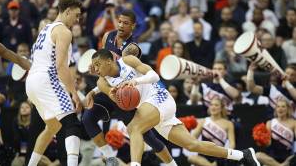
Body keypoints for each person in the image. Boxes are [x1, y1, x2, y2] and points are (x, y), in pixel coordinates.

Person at [90, 48, 261, 166]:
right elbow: (118, 100)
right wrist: (117, 96)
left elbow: (154, 75)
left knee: (134, 128)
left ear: (109, 60)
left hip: (160, 97)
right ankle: (242, 155)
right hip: (149, 108)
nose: (95, 69)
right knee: (193, 145)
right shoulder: (102, 81)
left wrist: (136, 81)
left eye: (98, 64)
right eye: (93, 66)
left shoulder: (127, 60)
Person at [83, 10, 177, 166]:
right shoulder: (108, 36)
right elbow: (103, 71)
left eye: (125, 23)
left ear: (133, 26)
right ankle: (110, 159)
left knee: (147, 136)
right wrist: (95, 74)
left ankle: (171, 164)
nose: (120, 25)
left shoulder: (132, 48)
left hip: (125, 91)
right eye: (119, 21)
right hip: (109, 90)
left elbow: (120, 74)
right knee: (87, 118)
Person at [25, 0, 83, 166]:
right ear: (67, 11)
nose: (77, 20)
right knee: (72, 123)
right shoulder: (63, 31)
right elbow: (60, 66)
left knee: (52, 128)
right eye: (77, 15)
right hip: (46, 79)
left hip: (32, 83)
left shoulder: (45, 29)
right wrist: (74, 93)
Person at [189, 98, 236, 166]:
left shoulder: (229, 124)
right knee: (191, 158)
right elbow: (192, 138)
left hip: (218, 156)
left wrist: (227, 156)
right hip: (203, 155)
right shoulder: (204, 121)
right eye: (211, 105)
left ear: (221, 108)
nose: (213, 107)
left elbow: (232, 144)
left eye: (216, 105)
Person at [256, 99, 296, 166]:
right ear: (275, 109)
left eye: (283, 106)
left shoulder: (294, 123)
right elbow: (268, 144)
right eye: (278, 106)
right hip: (273, 157)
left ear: (288, 109)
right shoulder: (270, 123)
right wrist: (261, 140)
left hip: (288, 157)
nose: (280, 109)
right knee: (258, 155)